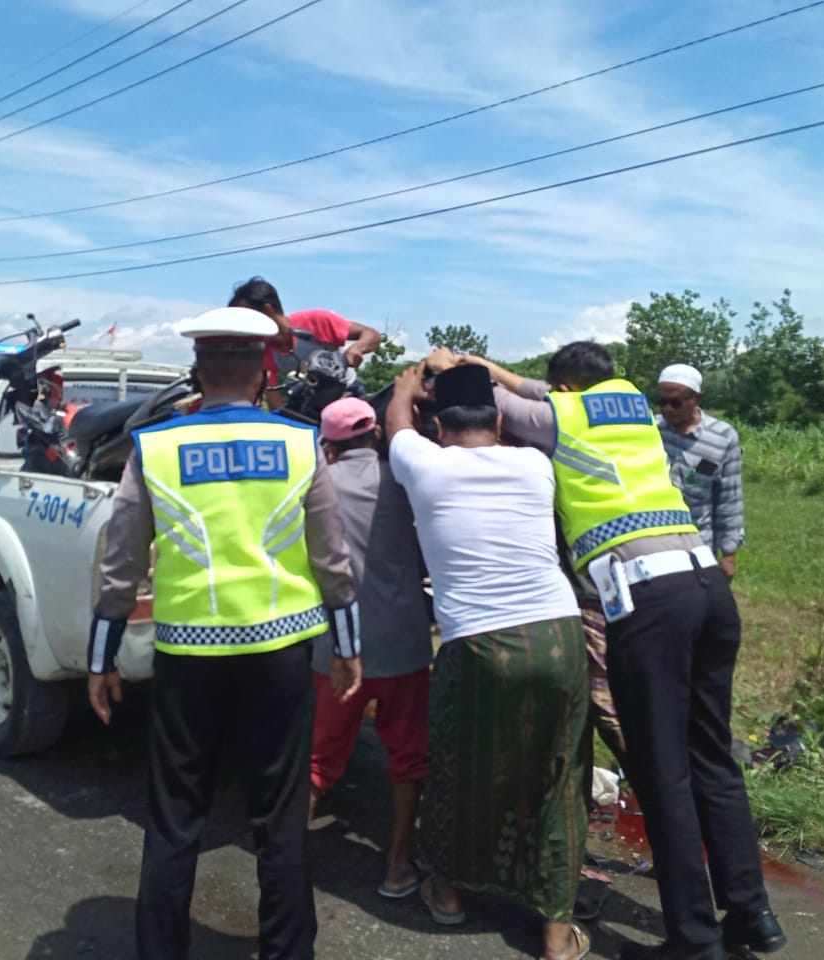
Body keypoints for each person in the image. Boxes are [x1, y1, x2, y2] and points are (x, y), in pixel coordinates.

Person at [435, 344, 783, 960]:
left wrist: (451, 366)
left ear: (564, 390)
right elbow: (538, 390)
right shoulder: (635, 410)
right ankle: (753, 913)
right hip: (706, 586)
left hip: (652, 600)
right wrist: (505, 372)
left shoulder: (561, 418)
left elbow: (493, 405)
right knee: (713, 759)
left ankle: (694, 940)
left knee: (663, 772)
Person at [86, 306, 362, 960]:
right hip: (281, 654)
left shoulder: (153, 446)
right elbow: (333, 556)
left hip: (189, 658)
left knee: (175, 821)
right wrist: (348, 646)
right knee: (281, 821)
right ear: (266, 368)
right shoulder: (301, 443)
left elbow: (121, 561)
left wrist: (102, 657)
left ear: (198, 371)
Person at [386, 363, 591, 960]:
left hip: (477, 644)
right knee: (559, 776)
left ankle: (447, 894)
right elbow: (540, 404)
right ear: (499, 421)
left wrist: (406, 390)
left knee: (459, 768)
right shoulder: (535, 464)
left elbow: (397, 422)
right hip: (558, 632)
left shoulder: (422, 463)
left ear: (436, 424)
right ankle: (556, 933)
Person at [309, 396, 431, 900]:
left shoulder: (318, 485)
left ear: (329, 444)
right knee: (408, 758)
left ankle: (286, 864)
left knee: (317, 758)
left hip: (336, 649)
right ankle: (398, 865)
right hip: (403, 645)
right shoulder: (406, 483)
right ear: (376, 434)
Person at [228, 277, 381, 407]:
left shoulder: (316, 321)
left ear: (268, 310)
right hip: (304, 404)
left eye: (246, 318)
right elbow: (275, 403)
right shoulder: (263, 351)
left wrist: (356, 350)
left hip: (346, 394)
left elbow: (370, 334)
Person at [656, 364, 744, 581]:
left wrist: (729, 554)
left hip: (698, 546)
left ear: (697, 398)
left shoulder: (722, 437)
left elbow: (729, 498)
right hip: (653, 544)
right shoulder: (650, 429)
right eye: (662, 402)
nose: (667, 409)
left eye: (675, 403)